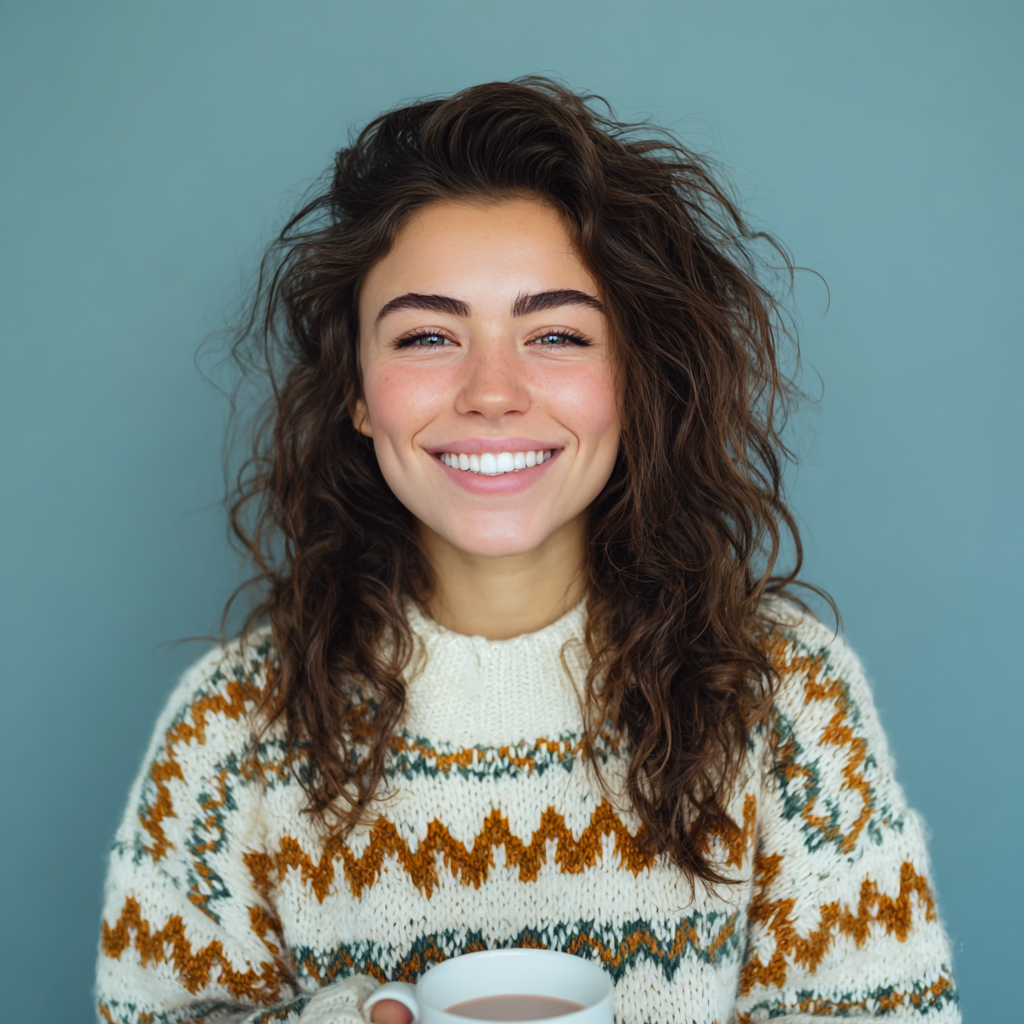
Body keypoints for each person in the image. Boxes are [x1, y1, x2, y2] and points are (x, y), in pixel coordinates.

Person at [95, 79, 959, 1024]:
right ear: (356, 390)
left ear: (634, 379)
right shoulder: (231, 731)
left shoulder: (785, 695)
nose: (492, 393)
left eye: (555, 333)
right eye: (428, 335)